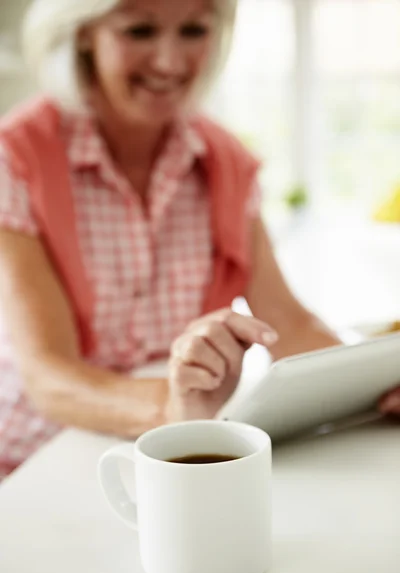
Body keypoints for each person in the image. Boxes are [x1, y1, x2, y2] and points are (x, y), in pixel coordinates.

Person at [0, 0, 385, 482]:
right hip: (35, 459)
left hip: (176, 455)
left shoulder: (226, 162)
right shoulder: (16, 157)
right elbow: (47, 376)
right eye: (139, 31)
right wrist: (175, 404)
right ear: (82, 32)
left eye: (193, 30)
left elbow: (287, 322)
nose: (170, 61)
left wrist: (376, 383)